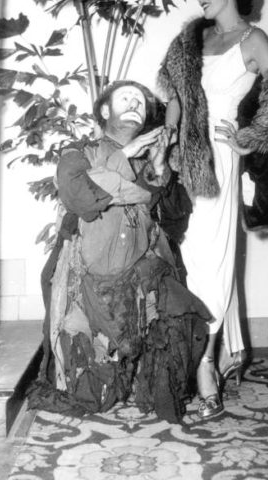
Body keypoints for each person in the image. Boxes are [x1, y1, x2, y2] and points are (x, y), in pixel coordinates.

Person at [158, 0, 268, 418]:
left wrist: (250, 138)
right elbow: (174, 96)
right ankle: (213, 353)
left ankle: (206, 365)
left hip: (220, 165)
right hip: (182, 162)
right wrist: (166, 137)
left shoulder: (254, 40)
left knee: (213, 261)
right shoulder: (191, 39)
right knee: (185, 259)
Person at [28, 80, 211, 424]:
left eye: (140, 101)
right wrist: (125, 157)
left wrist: (160, 168)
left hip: (142, 269)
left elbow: (170, 219)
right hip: (89, 276)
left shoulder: (151, 158)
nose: (134, 104)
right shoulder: (78, 152)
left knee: (182, 318)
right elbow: (79, 196)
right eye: (125, 98)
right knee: (92, 396)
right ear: (104, 110)